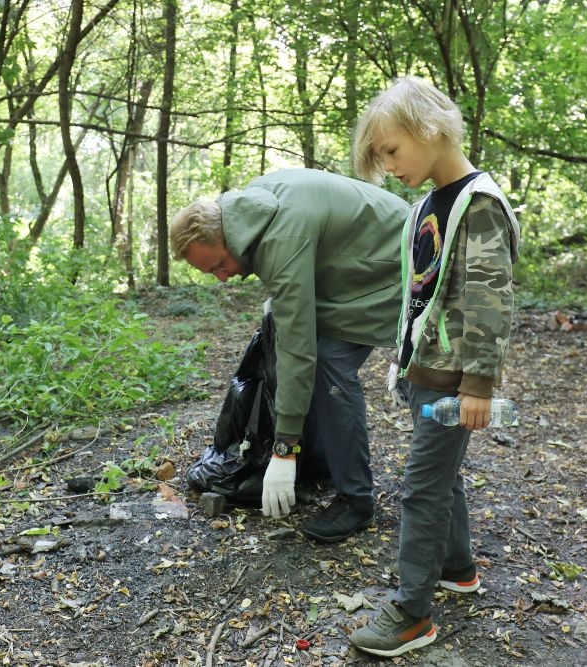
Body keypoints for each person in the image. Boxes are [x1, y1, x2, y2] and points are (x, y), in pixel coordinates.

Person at [347, 77, 521, 657]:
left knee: (421, 487)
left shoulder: (480, 205)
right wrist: (404, 362)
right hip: (427, 373)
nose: (389, 166)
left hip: (456, 379)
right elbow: (422, 294)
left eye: (391, 150)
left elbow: (489, 301)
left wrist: (478, 385)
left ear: (430, 129)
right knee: (439, 476)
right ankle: (457, 568)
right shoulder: (427, 203)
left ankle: (413, 611)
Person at [169, 168, 409, 542]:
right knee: (300, 345)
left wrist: (283, 449)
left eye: (218, 265)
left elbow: (298, 347)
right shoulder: (251, 209)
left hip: (400, 267)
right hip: (360, 264)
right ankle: (325, 463)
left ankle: (356, 500)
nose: (222, 278)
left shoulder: (279, 238)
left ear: (228, 237)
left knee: (328, 361)